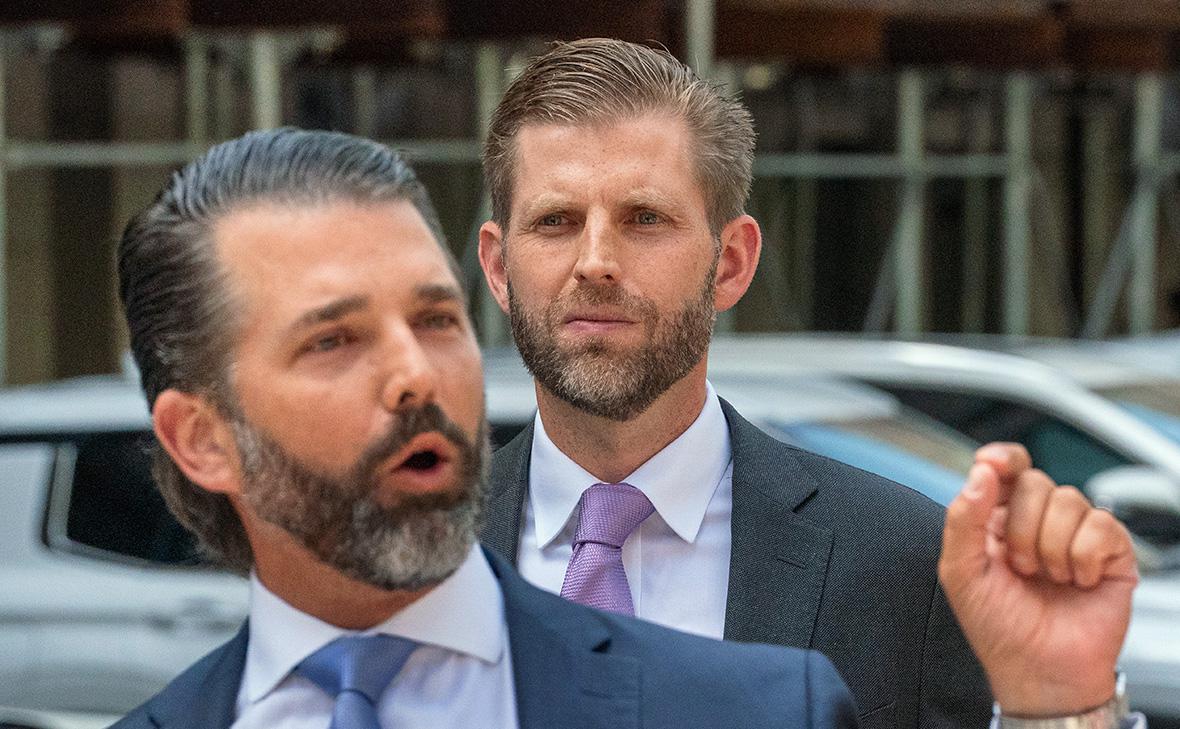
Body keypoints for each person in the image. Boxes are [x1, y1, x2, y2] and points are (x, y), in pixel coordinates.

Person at [475, 38, 1137, 727]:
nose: (596, 261)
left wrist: (1062, 706)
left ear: (731, 263)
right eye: (555, 221)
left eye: (645, 218)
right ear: (497, 267)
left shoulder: (904, 564)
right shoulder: (423, 557)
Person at [108, 127, 860, 729]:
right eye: (333, 340)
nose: (416, 375)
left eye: (437, 319)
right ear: (202, 439)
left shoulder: (754, 710)